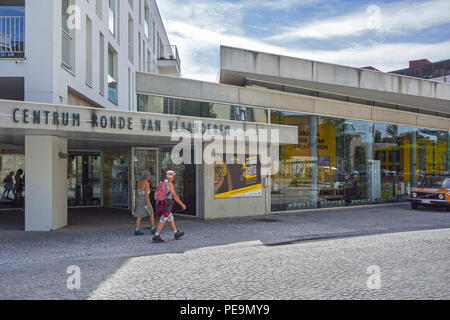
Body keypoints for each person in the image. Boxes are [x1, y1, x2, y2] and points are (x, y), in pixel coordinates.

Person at [152, 170, 186, 243]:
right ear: (171, 176)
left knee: (171, 218)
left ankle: (176, 232)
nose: (173, 177)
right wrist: (182, 204)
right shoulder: (170, 184)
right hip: (167, 205)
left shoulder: (162, 182)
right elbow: (174, 195)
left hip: (162, 203)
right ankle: (156, 235)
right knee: (163, 219)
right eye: (173, 176)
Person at [133, 171, 157, 236]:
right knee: (151, 213)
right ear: (148, 176)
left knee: (139, 215)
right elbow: (146, 193)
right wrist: (148, 203)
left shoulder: (139, 183)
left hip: (139, 200)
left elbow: (138, 191)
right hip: (145, 200)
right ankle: (153, 228)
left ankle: (137, 230)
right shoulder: (147, 183)